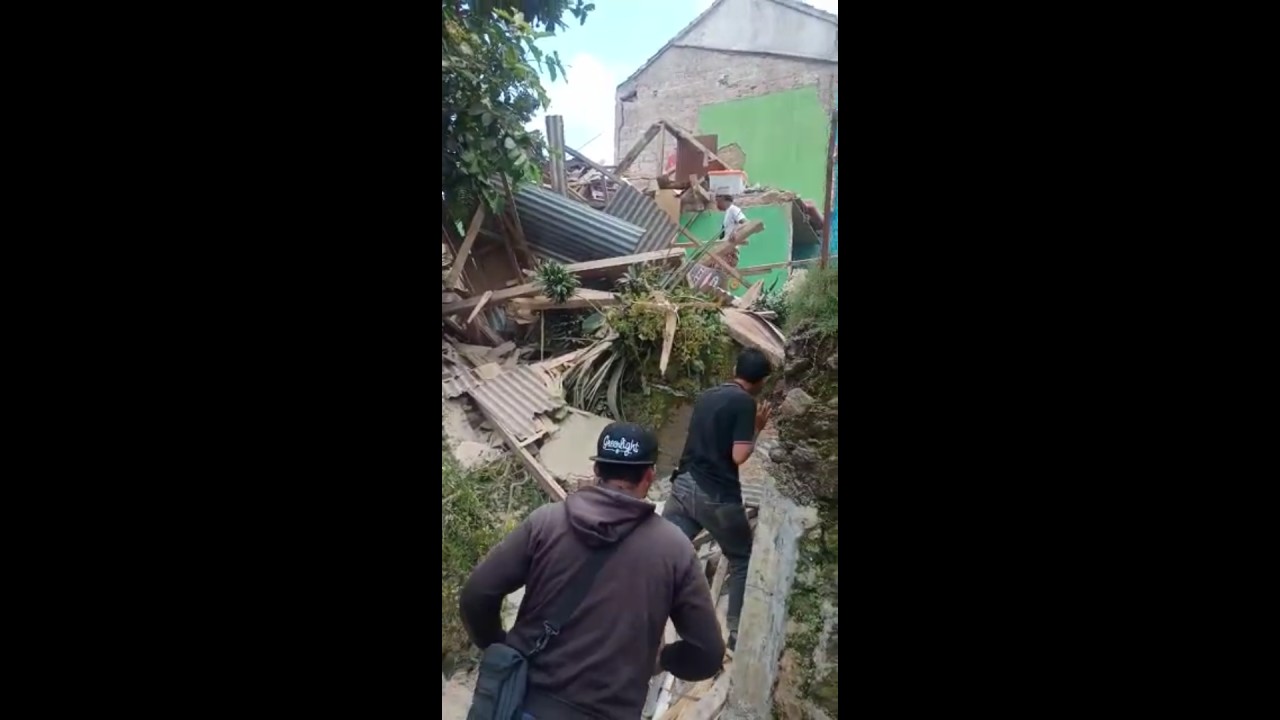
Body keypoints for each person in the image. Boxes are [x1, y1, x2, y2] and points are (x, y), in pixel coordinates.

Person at [460, 422, 725, 719]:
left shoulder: (546, 522)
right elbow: (708, 655)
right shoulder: (674, 549)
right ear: (649, 476)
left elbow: (477, 595)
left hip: (521, 703)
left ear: (598, 470)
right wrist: (664, 658)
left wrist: (500, 648)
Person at [662, 348, 772, 651]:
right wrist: (757, 431)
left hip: (683, 486)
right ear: (761, 381)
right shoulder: (745, 403)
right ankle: (736, 632)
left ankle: (639, 610)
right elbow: (738, 456)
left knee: (662, 552)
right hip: (716, 496)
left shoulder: (707, 395)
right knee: (740, 559)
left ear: (735, 368)